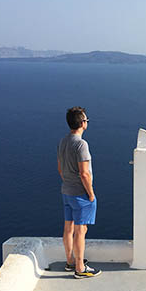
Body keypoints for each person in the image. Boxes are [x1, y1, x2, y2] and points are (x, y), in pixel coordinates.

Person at [57, 106, 101, 278]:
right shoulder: (81, 144)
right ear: (83, 123)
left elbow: (60, 169)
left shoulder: (63, 141)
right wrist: (90, 194)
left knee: (68, 227)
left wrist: (68, 182)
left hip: (66, 191)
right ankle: (80, 268)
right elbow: (84, 173)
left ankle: (70, 262)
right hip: (80, 194)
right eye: (86, 120)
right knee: (81, 230)